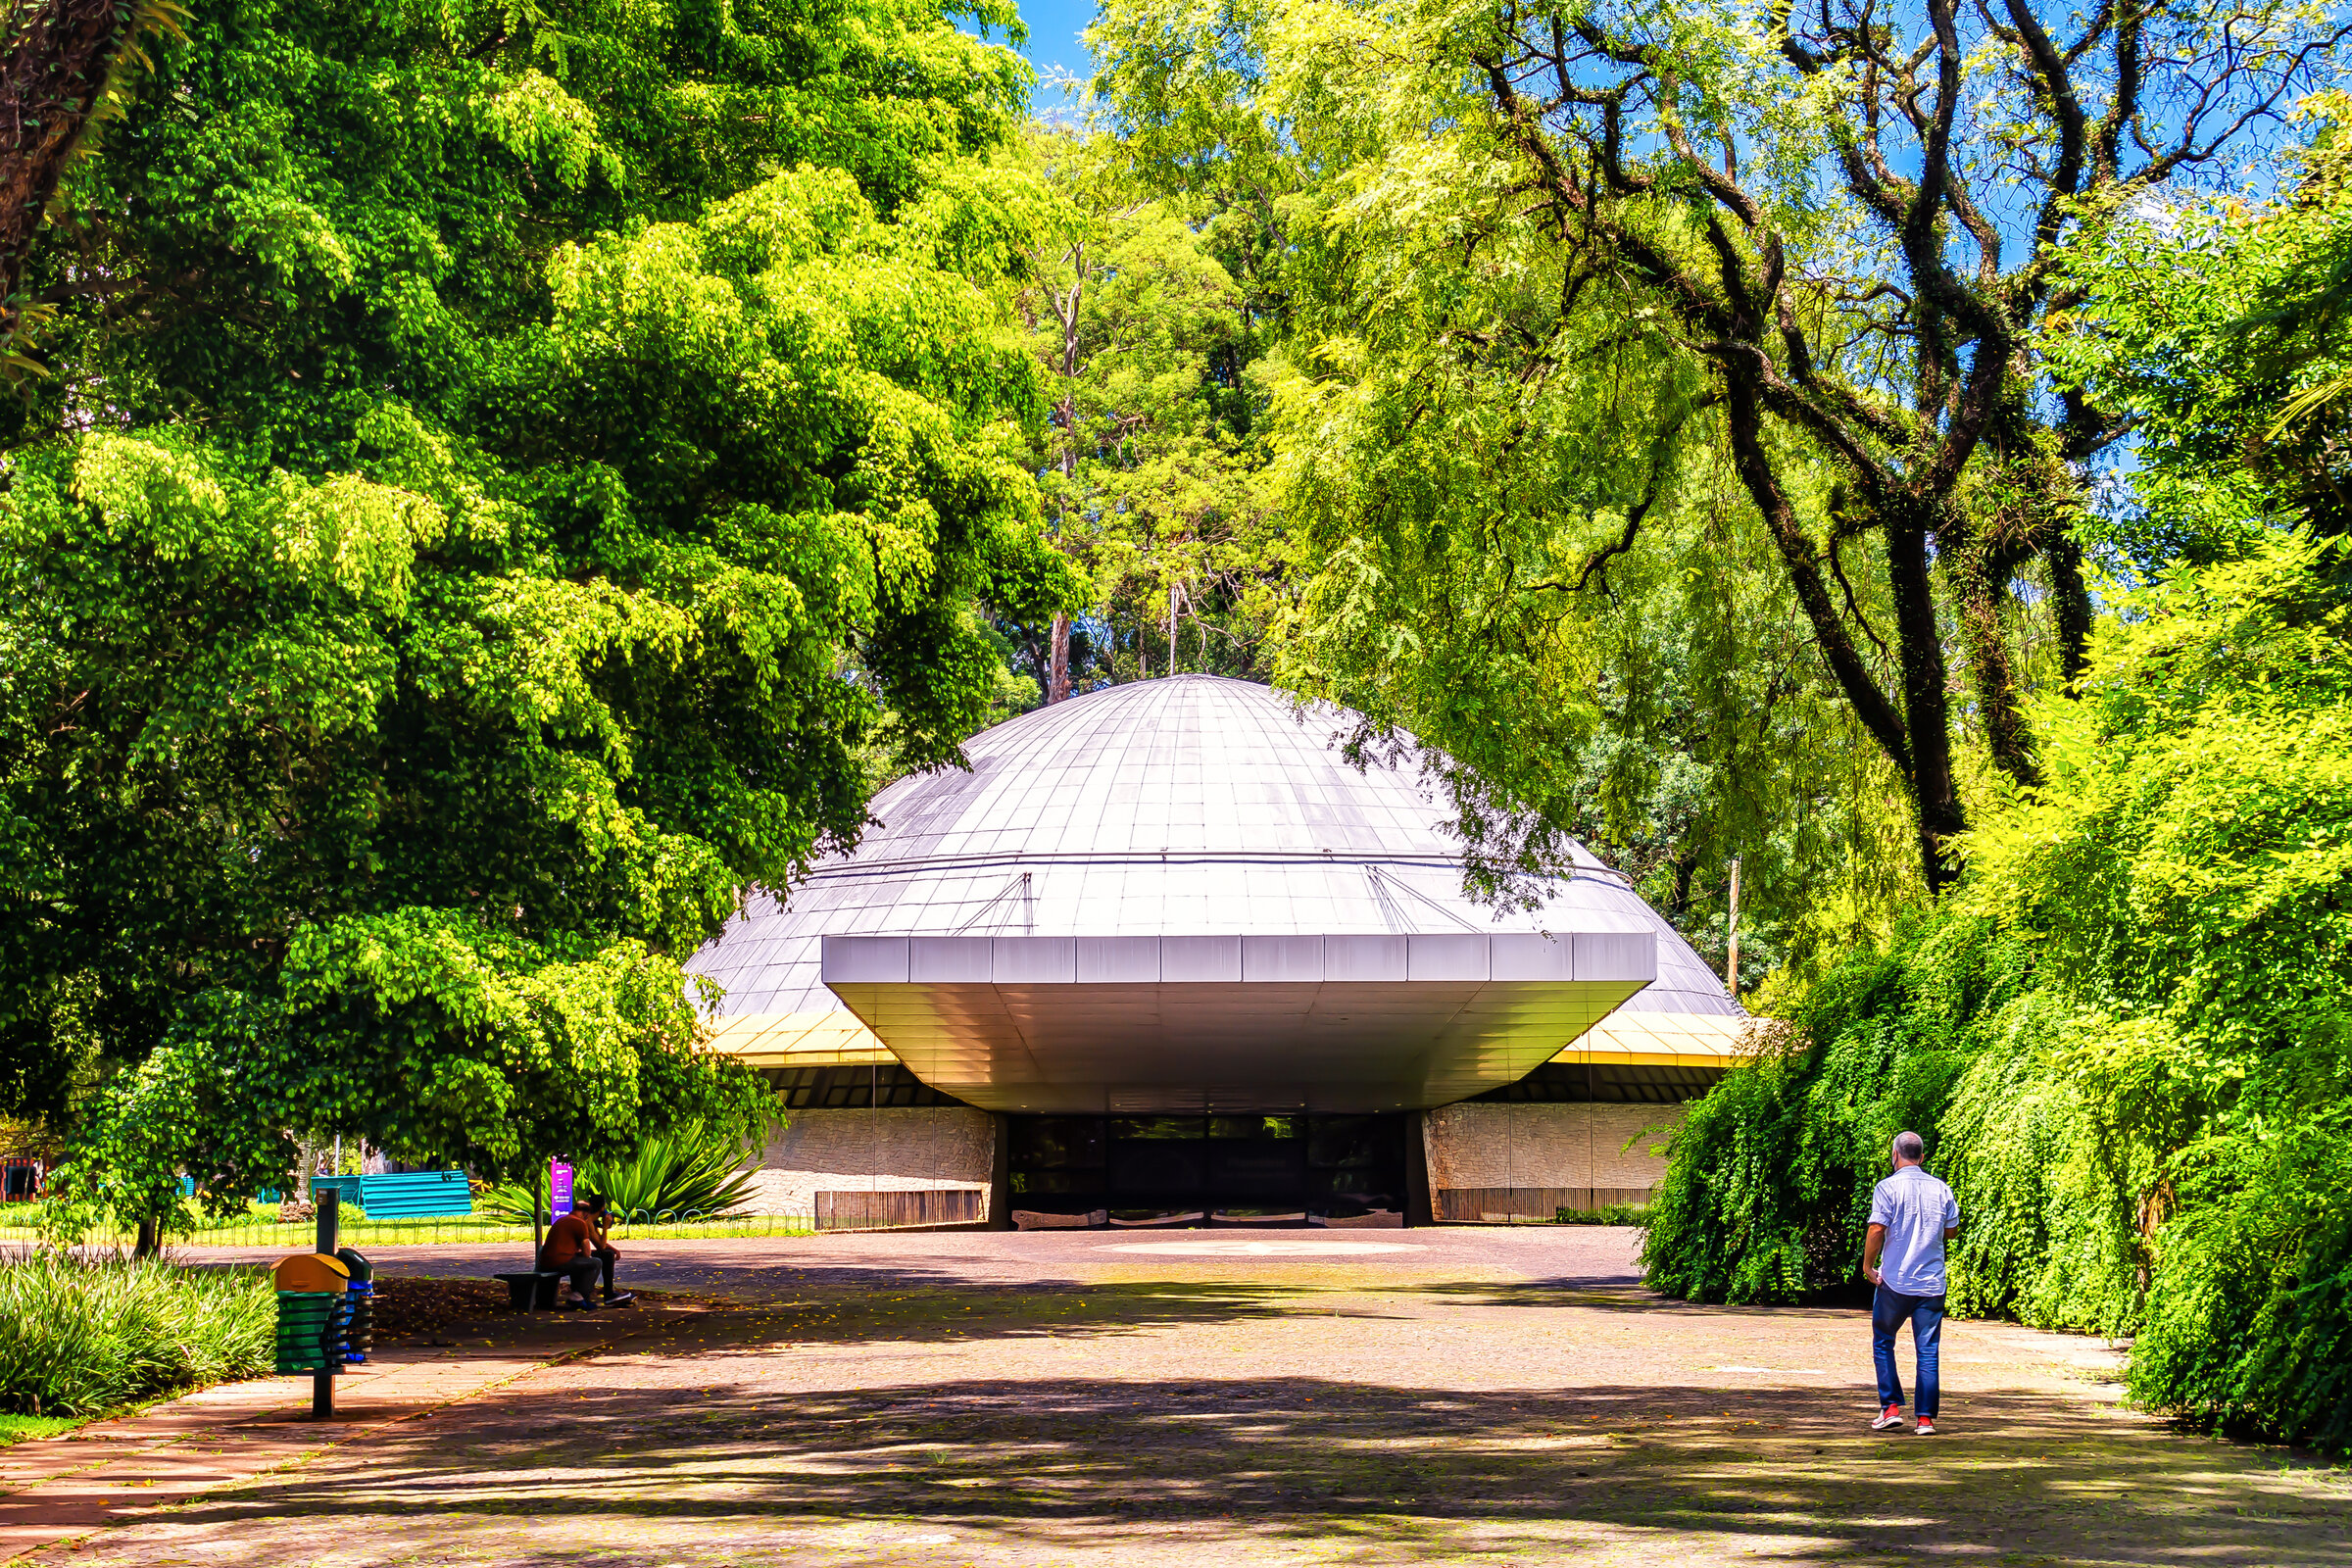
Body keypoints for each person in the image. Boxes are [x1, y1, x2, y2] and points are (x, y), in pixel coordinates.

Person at [1862, 1130, 1959, 1435]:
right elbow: (1951, 1231)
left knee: (1883, 1341)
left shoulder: (1887, 1188)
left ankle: (1890, 1408)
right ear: (1922, 1157)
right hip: (1931, 1284)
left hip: (1895, 1282)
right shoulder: (1941, 1189)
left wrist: (1867, 1266)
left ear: (1895, 1155)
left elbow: (1877, 1228)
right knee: (1928, 1350)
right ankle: (1925, 1419)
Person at [539, 1192, 633, 1308]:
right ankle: (579, 1297)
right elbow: (589, 1252)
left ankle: (598, 1294)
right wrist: (605, 1227)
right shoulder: (581, 1223)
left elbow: (599, 1243)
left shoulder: (568, 1219)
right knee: (595, 1262)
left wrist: (614, 1249)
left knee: (606, 1255)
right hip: (560, 1260)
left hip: (551, 1259)